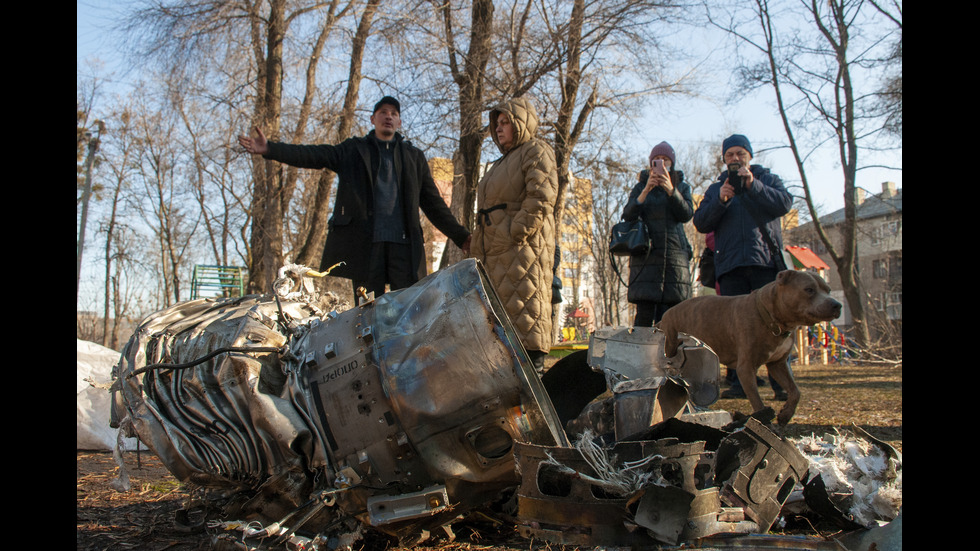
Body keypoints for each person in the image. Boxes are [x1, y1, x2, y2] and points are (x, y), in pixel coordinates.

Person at [238, 96, 471, 298]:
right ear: (373, 119)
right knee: (367, 314)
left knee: (408, 313)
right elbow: (314, 155)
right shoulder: (354, 150)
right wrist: (271, 149)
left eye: (393, 113)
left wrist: (461, 237)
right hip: (366, 249)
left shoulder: (414, 157)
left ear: (399, 121)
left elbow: (433, 204)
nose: (388, 117)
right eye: (382, 113)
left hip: (404, 249)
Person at [693, 134, 793, 399]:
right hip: (730, 267)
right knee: (733, 326)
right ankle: (739, 384)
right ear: (724, 160)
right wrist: (720, 200)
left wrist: (753, 185)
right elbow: (701, 222)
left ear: (749, 155)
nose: (735, 159)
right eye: (729, 155)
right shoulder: (716, 188)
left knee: (775, 323)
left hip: (765, 264)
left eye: (740, 154)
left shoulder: (767, 179)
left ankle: (781, 384)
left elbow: (784, 203)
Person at [469, 98, 558, 375]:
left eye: (505, 122)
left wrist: (511, 234)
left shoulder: (536, 150)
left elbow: (542, 197)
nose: (498, 128)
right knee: (499, 350)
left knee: (526, 334)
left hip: (522, 259)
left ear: (521, 123)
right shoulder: (498, 164)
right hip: (495, 262)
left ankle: (539, 413)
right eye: (497, 123)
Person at [621, 141, 695, 326]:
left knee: (673, 320)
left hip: (674, 260)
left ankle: (670, 356)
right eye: (656, 160)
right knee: (644, 317)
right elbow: (628, 215)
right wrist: (646, 190)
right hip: (646, 259)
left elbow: (686, 214)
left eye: (665, 160)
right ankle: (641, 355)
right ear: (651, 163)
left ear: (672, 163)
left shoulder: (682, 187)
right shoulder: (640, 187)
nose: (661, 163)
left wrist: (671, 190)